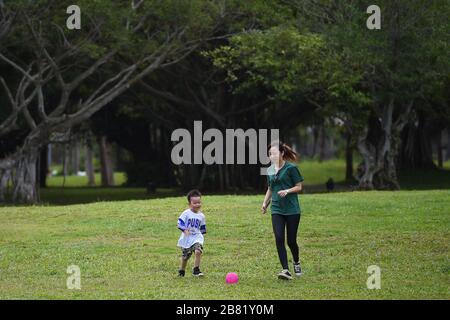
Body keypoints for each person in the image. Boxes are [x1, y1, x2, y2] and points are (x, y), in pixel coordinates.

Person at [261, 142, 304, 280]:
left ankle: (296, 261)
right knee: (279, 238)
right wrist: (265, 203)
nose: (271, 156)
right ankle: (285, 269)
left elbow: (299, 187)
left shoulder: (291, 168)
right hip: (277, 210)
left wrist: (287, 191)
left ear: (282, 153)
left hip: (292, 210)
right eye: (270, 154)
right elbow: (270, 188)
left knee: (291, 241)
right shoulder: (269, 171)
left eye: (274, 153)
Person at [177, 189, 207, 277]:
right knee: (186, 257)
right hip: (187, 238)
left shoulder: (202, 216)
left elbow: (202, 228)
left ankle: (196, 270)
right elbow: (179, 223)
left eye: (199, 202)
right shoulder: (186, 213)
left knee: (198, 251)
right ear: (189, 204)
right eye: (195, 203)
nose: (197, 204)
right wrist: (184, 230)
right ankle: (181, 270)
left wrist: (202, 235)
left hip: (197, 237)